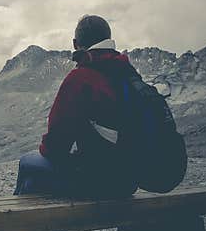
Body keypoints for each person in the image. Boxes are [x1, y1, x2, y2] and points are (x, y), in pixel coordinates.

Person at [13, 14, 138, 198]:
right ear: (109, 39)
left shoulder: (81, 78)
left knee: (26, 163)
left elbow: (55, 146)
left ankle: (17, 221)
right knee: (32, 182)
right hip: (130, 181)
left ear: (75, 43)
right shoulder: (127, 72)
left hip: (99, 179)